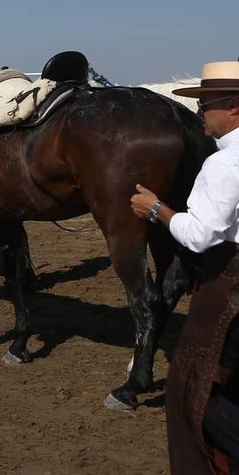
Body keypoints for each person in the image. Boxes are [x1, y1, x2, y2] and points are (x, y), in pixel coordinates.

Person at [130, 61, 239, 474]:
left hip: (228, 283)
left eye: (205, 104)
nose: (199, 113)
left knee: (191, 392)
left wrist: (155, 208)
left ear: (233, 106)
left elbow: (200, 236)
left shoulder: (224, 164)